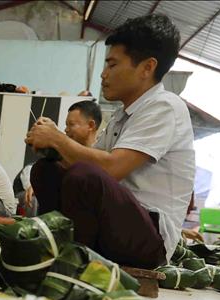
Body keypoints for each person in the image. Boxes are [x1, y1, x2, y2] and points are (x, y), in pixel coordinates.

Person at [26, 14, 194, 269]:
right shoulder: (121, 116)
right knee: (45, 170)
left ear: (147, 68)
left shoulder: (164, 107)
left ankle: (73, 260)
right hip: (120, 223)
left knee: (84, 176)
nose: (103, 75)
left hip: (149, 239)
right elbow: (89, 164)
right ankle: (59, 243)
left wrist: (58, 139)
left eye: (112, 65)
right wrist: (52, 149)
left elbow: (111, 169)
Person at [22, 99, 103, 209]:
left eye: (71, 125)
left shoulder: (101, 155)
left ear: (90, 125)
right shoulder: (63, 155)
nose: (66, 129)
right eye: (66, 125)